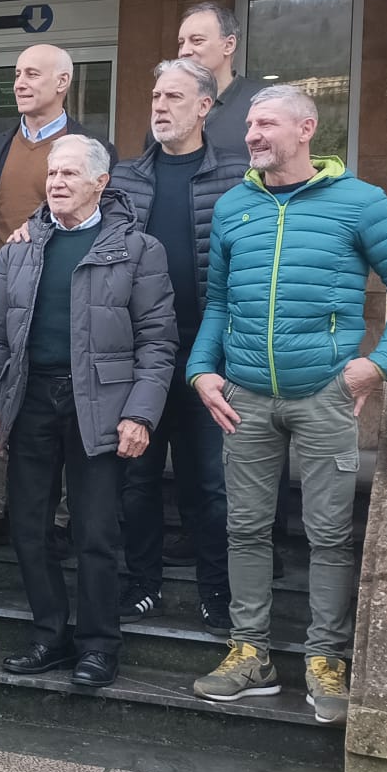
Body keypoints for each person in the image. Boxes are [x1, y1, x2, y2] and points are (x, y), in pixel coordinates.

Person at [188, 85, 387, 723]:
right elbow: (219, 302)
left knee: (328, 534)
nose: (251, 135)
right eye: (248, 124)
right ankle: (251, 654)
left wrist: (378, 366)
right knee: (243, 527)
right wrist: (200, 371)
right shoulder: (235, 207)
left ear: (306, 129)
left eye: (265, 123)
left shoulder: (359, 203)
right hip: (243, 395)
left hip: (326, 395)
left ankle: (326, 658)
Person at [0, 135, 177, 689]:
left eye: (69, 174)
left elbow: (158, 343)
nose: (57, 182)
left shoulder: (138, 249)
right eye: (53, 173)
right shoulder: (21, 247)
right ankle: (49, 636)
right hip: (31, 399)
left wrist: (142, 414)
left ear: (100, 183)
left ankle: (97, 645)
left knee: (94, 532)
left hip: (101, 405)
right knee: (29, 528)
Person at [108, 58, 244, 630]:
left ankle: (217, 590)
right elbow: (73, 223)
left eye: (174, 98)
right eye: (156, 96)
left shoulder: (237, 178)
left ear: (204, 107)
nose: (160, 106)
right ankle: (143, 585)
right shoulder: (124, 178)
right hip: (139, 358)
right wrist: (29, 227)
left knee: (209, 484)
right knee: (136, 481)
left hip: (210, 357)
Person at [0, 44, 109, 549]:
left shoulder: (88, 147)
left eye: (33, 74)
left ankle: (63, 517)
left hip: (64, 298)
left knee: (66, 405)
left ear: (63, 82)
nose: (20, 83)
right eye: (18, 74)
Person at [171, 2, 267, 158]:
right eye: (181, 43)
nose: (184, 52)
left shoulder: (263, 101)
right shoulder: (168, 103)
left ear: (229, 45)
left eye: (197, 41)